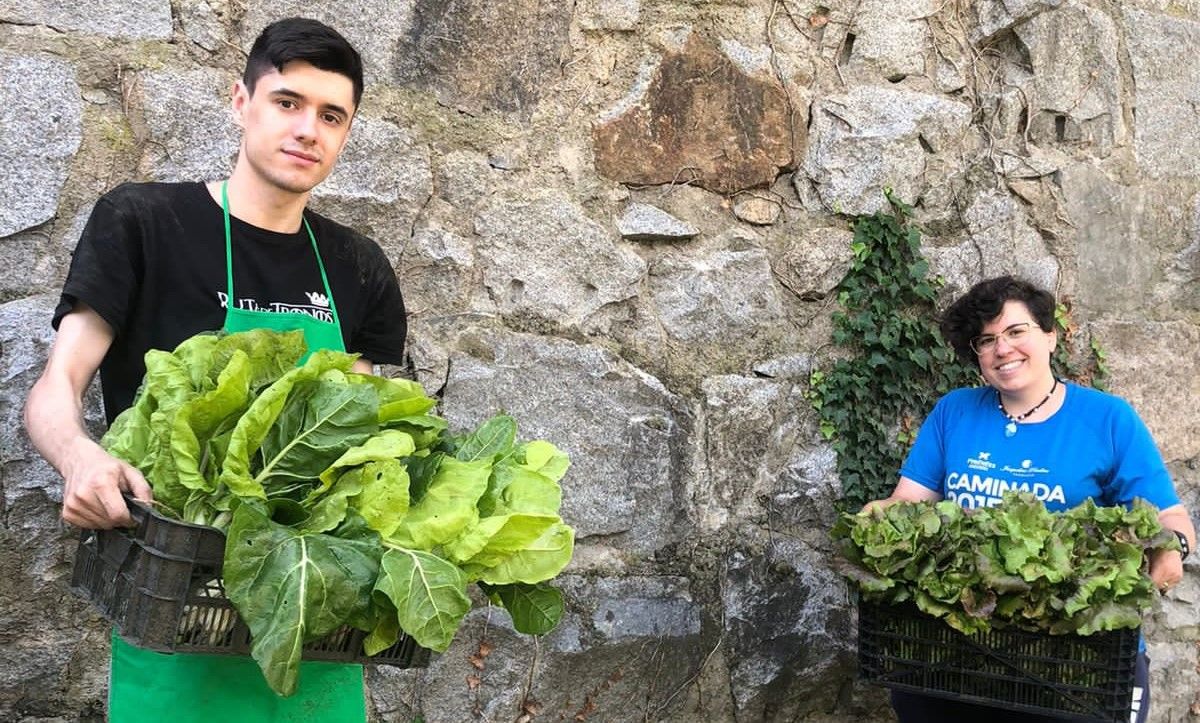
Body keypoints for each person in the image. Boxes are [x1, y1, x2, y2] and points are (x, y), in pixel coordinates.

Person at [24, 17, 407, 722]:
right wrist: (78, 457)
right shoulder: (142, 222)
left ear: (347, 132)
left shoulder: (359, 267)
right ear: (241, 102)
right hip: (175, 606)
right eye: (287, 102)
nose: (308, 130)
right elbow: (57, 385)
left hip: (312, 626)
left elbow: (364, 432)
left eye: (331, 116)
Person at [865, 275, 1195, 723]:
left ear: (1051, 336)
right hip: (963, 653)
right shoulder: (954, 411)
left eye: (1016, 331)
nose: (1002, 349)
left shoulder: (1108, 419)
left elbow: (1171, 517)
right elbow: (908, 503)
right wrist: (875, 521)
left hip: (1078, 660)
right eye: (986, 340)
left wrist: (1172, 547)